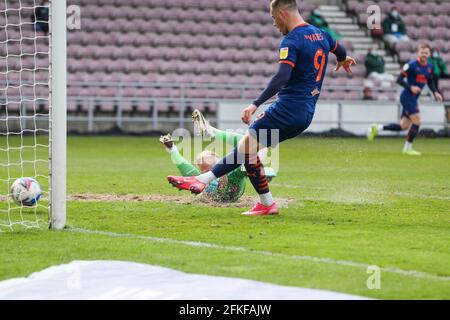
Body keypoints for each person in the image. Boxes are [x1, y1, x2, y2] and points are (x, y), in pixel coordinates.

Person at [167, 0, 355, 216]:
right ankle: (264, 203)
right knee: (249, 151)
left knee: (245, 148)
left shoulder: (291, 40)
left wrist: (255, 103)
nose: (274, 24)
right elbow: (339, 49)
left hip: (287, 109)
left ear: (283, 13)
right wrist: (343, 59)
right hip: (305, 113)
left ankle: (203, 180)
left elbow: (282, 76)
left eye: (274, 18)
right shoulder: (322, 34)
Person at [162, 110, 277, 203]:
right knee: (254, 143)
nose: (205, 172)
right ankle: (211, 131)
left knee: (254, 145)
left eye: (210, 168)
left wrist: (264, 172)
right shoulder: (202, 180)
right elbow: (183, 166)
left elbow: (247, 168)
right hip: (209, 195)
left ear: (220, 164)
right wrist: (172, 149)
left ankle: (211, 131)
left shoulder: (233, 173)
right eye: (204, 170)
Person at [367, 44, 443, 155]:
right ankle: (407, 149)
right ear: (418, 53)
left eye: (426, 53)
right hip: (407, 97)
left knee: (404, 126)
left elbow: (430, 80)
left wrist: (435, 92)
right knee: (417, 120)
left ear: (429, 54)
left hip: (413, 98)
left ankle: (377, 128)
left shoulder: (430, 67)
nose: (424, 55)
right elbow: (399, 79)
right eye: (422, 52)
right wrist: (410, 87)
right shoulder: (411, 65)